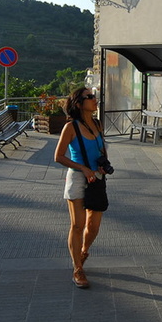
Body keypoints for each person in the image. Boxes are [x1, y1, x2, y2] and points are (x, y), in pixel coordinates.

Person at [54, 87, 107, 289]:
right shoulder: (71, 127)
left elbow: (101, 149)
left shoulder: (98, 124)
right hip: (77, 179)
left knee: (93, 227)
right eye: (90, 97)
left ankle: (83, 251)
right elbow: (58, 157)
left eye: (94, 97)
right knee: (78, 225)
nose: (95, 100)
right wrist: (83, 168)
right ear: (79, 103)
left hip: (98, 178)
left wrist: (103, 164)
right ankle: (78, 268)